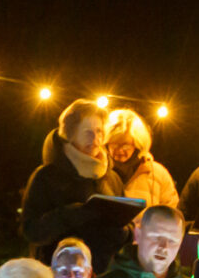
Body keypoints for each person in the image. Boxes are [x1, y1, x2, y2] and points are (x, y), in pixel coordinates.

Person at [23, 100, 130, 255]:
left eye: (99, 131)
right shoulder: (47, 176)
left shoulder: (112, 178)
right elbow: (31, 231)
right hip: (62, 273)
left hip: (102, 273)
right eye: (88, 132)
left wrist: (125, 232)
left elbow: (127, 222)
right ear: (70, 133)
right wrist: (73, 213)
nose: (95, 138)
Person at [104, 107, 179, 211]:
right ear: (106, 143)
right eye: (115, 145)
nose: (120, 151)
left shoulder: (158, 174)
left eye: (126, 146)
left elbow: (171, 213)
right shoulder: (97, 172)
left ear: (138, 144)